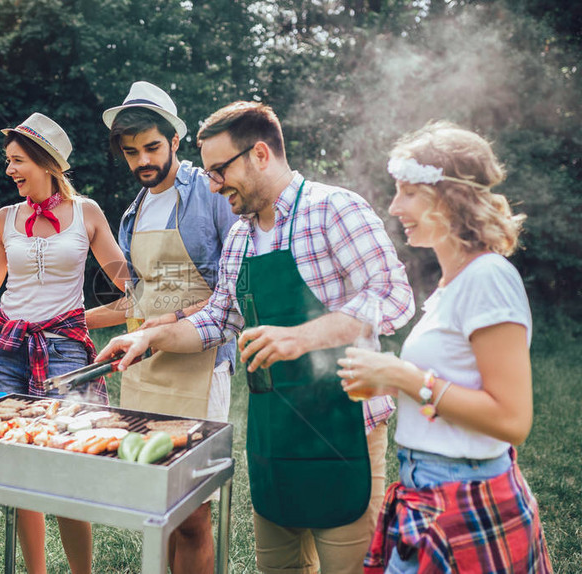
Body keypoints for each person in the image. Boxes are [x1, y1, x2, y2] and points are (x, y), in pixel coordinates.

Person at [97, 101, 415, 574]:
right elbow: (216, 321)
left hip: (343, 427)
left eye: (219, 170)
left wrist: (302, 338)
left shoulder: (333, 208)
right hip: (273, 430)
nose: (212, 183)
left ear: (261, 154)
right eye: (207, 173)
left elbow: (394, 297)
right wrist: (152, 338)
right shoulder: (241, 237)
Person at [336, 121, 553, 573]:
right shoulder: (451, 285)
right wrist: (394, 383)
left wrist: (404, 378)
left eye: (407, 193)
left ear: (450, 197)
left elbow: (512, 420)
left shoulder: (489, 278)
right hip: (429, 492)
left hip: (465, 496)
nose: (394, 206)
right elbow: (448, 391)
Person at [85, 80, 239, 573]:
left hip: (199, 363)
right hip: (146, 369)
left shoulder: (211, 194)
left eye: (152, 147)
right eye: (131, 152)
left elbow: (233, 288)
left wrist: (168, 320)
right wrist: (75, 319)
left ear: (176, 140)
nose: (142, 161)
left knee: (192, 514)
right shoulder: (134, 210)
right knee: (159, 508)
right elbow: (140, 297)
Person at [0, 112, 127, 574]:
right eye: (8, 161)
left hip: (64, 353)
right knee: (17, 463)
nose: (9, 170)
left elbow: (128, 288)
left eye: (17, 160)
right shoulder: (5, 217)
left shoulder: (87, 212)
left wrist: (81, 320)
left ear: (45, 162)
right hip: (5, 352)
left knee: (68, 463)